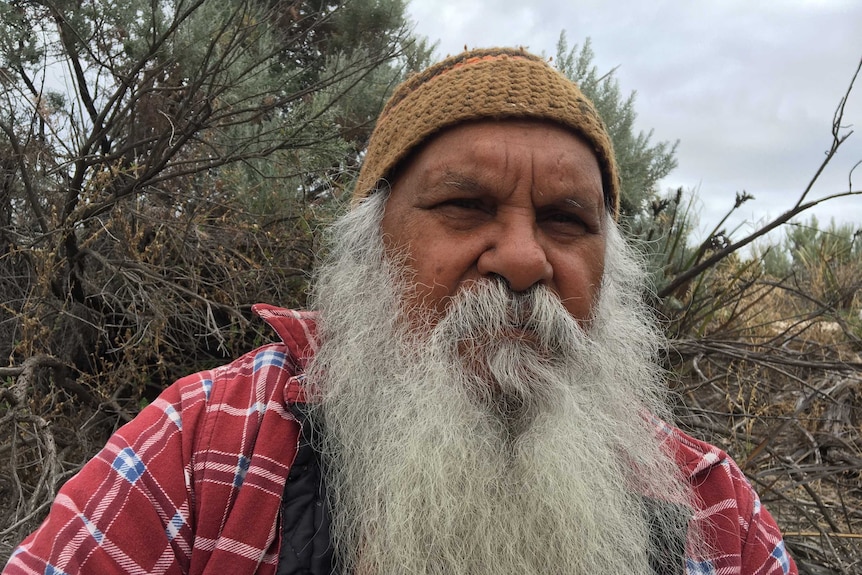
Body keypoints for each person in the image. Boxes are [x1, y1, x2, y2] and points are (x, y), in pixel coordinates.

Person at [3, 48, 797, 575]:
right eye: (463, 205)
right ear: (370, 249)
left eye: (566, 220)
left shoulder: (713, 512)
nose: (524, 259)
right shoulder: (212, 444)